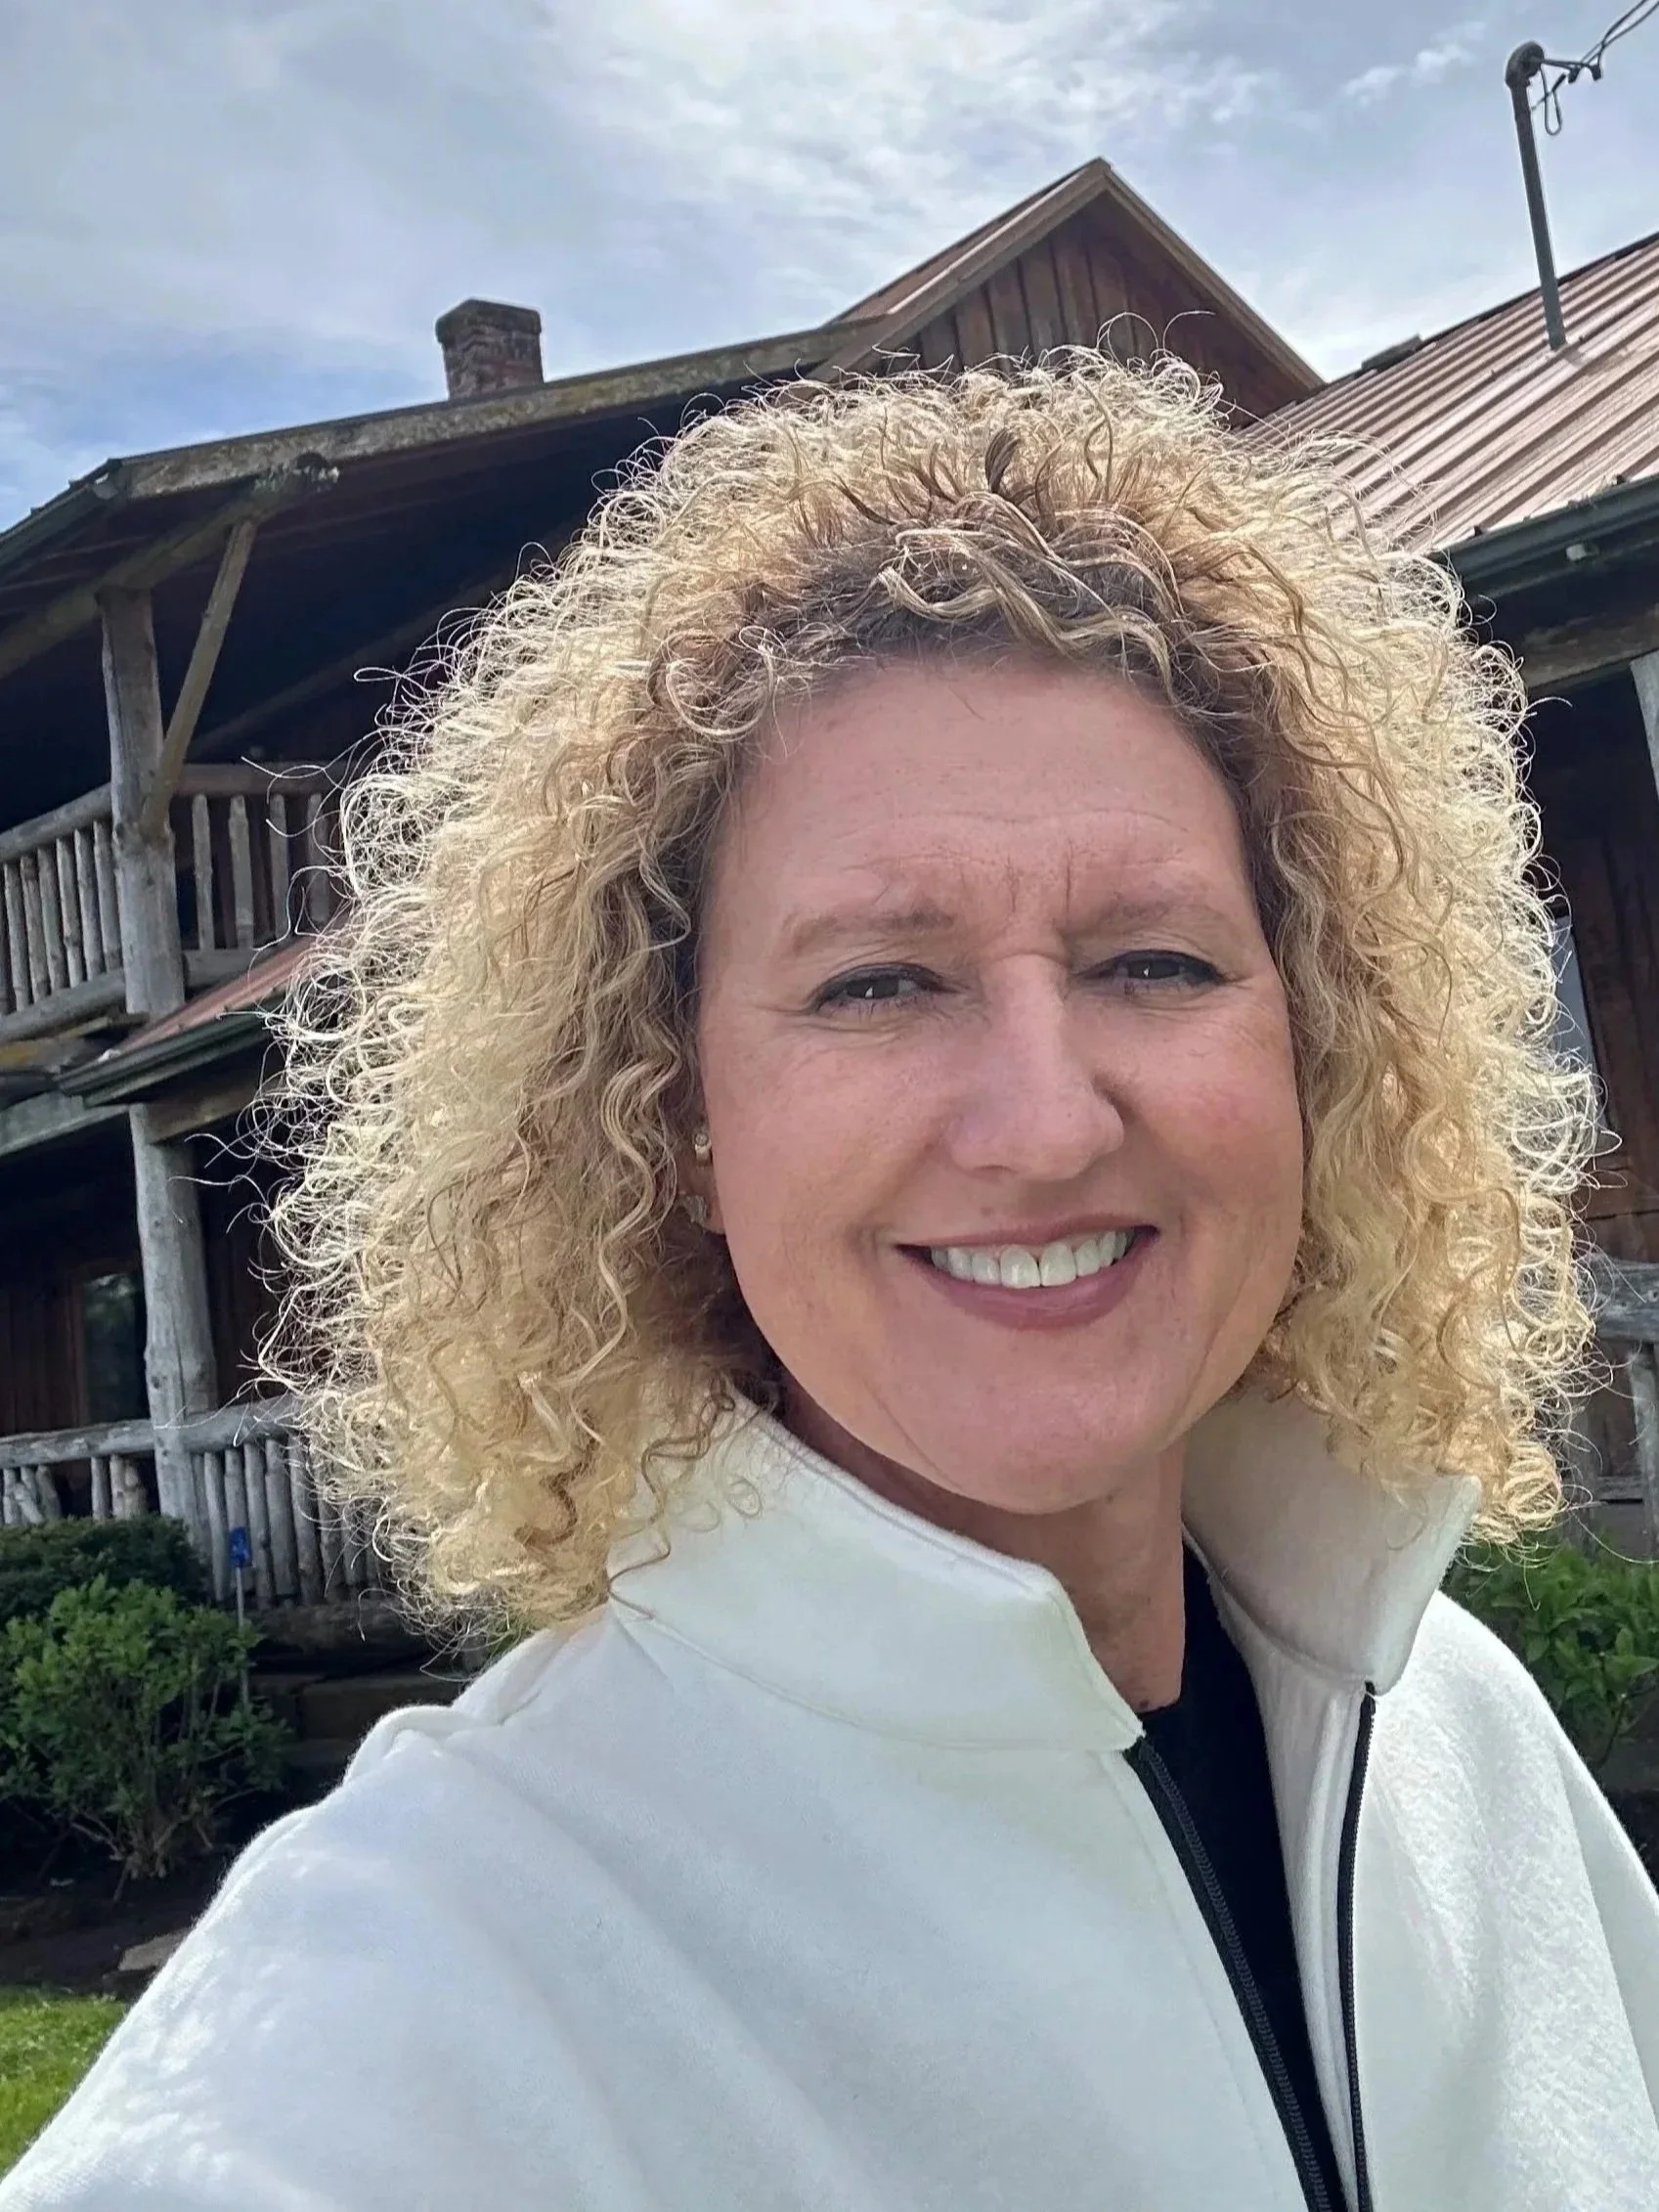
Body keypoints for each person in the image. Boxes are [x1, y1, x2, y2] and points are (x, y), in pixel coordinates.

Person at [6, 353, 1657, 2212]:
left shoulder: (1461, 1736)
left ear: (1317, 1047)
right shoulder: (410, 2005)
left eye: (1159, 962)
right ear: (674, 1113)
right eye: (880, 981)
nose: (1045, 1121)